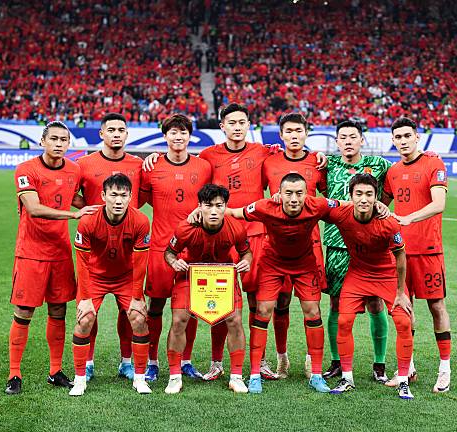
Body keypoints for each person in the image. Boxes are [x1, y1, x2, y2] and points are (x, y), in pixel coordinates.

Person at [144, 103, 326, 381]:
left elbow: (291, 159)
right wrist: (157, 155)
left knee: (256, 301)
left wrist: (317, 155)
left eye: (242, 122)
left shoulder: (263, 152)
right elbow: (184, 165)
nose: (238, 127)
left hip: (254, 234)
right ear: (223, 127)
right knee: (217, 299)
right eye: (232, 123)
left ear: (248, 125)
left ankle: (261, 361)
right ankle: (217, 362)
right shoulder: (207, 157)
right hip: (218, 235)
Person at [218, 173, 385, 394]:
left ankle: (316, 375)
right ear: (279, 193)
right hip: (272, 263)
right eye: (289, 193)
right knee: (263, 310)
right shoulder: (265, 206)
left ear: (306, 194)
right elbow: (235, 212)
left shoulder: (317, 205)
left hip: (305, 264)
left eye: (299, 193)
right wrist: (201, 212)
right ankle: (256, 374)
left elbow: (346, 204)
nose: (294, 198)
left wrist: (377, 204)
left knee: (312, 310)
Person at [5, 121, 99, 395]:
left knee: (58, 311)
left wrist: (108, 208)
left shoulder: (74, 169)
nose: (59, 144)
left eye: (64, 140)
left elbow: (79, 200)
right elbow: (33, 208)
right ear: (42, 141)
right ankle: (14, 374)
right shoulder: (27, 169)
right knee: (24, 313)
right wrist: (73, 215)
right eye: (54, 139)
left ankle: (55, 371)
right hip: (30, 253)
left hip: (59, 252)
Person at [325, 173, 414, 399]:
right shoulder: (341, 214)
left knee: (403, 322)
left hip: (385, 275)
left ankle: (403, 380)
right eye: (359, 194)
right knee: (344, 320)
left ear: (376, 197)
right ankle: (347, 377)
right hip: (357, 273)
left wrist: (401, 292)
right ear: (351, 196)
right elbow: (314, 204)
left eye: (369, 194)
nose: (363, 199)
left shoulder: (388, 223)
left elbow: (401, 256)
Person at [139, 114, 212, 382]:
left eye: (182, 132)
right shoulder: (152, 166)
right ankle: (152, 361)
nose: (178, 137)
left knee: (190, 308)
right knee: (155, 305)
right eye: (173, 132)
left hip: (193, 248)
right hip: (160, 247)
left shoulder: (204, 167)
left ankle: (185, 361)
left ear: (189, 136)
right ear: (165, 136)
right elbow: (139, 199)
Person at [382, 117, 452, 393]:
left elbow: (439, 203)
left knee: (436, 307)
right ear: (393, 140)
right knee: (403, 309)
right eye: (397, 137)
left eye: (406, 136)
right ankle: (407, 368)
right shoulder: (393, 171)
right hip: (400, 252)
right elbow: (382, 205)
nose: (402, 141)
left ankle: (444, 369)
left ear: (417, 137)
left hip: (429, 251)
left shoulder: (433, 163)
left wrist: (408, 218)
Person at [321, 120, 393, 382]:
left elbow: (393, 186)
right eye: (343, 137)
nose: (348, 141)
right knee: (336, 303)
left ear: (362, 140)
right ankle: (337, 361)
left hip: (371, 245)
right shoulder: (328, 165)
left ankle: (380, 364)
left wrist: (382, 207)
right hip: (337, 244)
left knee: (375, 303)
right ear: (337, 142)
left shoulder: (380, 165)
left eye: (353, 137)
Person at [164, 184, 252, 394]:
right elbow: (169, 252)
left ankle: (236, 376)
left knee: (235, 319)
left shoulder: (236, 228)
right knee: (179, 320)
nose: (214, 211)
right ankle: (175, 376)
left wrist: (246, 261)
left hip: (223, 274)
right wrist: (174, 262)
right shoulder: (185, 228)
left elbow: (246, 252)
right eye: (208, 205)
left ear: (225, 206)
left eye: (219, 206)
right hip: (190, 275)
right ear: (199, 207)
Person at [69, 174, 151, 396]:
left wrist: (136, 297)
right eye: (113, 195)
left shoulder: (141, 221)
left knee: (139, 318)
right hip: (94, 276)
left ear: (130, 197)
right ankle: (80, 378)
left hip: (126, 276)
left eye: (123, 195)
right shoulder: (88, 221)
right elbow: (82, 263)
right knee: (84, 319)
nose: (118, 200)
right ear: (103, 196)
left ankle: (139, 377)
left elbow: (140, 262)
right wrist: (85, 299)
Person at [76, 112, 144, 382]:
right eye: (111, 129)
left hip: (128, 252)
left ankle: (126, 362)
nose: (116, 134)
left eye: (121, 129)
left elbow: (147, 194)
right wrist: (90, 211)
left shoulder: (139, 165)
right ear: (101, 134)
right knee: (88, 313)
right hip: (95, 255)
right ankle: (88, 362)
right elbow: (72, 194)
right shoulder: (83, 164)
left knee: (129, 313)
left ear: (127, 134)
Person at [261, 112, 327, 378]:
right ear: (281, 135)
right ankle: (282, 357)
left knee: (312, 304)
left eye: (299, 131)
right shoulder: (269, 161)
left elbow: (330, 198)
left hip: (310, 244)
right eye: (289, 131)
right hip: (278, 242)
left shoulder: (318, 162)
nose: (294, 136)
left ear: (307, 133)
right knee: (281, 301)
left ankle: (313, 360)